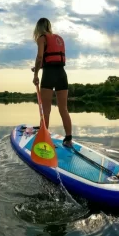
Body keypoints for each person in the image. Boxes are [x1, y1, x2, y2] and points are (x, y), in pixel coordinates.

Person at [31, 17, 73, 148]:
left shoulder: (41, 38)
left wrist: (36, 74)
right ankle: (68, 138)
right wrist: (40, 66)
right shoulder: (59, 38)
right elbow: (53, 60)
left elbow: (40, 57)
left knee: (46, 110)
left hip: (49, 75)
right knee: (63, 109)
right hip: (61, 74)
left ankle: (44, 138)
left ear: (39, 27)